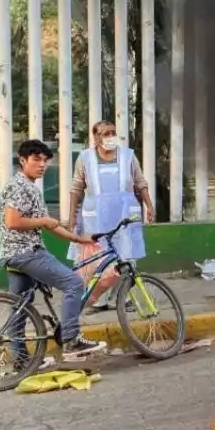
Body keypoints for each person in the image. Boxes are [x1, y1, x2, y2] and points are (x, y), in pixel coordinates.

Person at [0, 140, 106, 357]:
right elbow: (12, 221)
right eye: (36, 159)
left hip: (15, 253)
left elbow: (51, 225)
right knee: (73, 283)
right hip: (25, 252)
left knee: (20, 307)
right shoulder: (18, 186)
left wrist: (79, 239)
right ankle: (71, 339)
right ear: (22, 160)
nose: (42, 165)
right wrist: (43, 222)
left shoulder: (31, 188)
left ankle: (21, 361)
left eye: (45, 161)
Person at [67, 121, 155, 312]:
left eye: (113, 132)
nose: (110, 136)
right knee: (98, 259)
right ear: (96, 137)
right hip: (96, 216)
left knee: (127, 257)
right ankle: (98, 300)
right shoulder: (85, 158)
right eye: (106, 133)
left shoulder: (128, 156)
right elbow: (76, 188)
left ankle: (120, 297)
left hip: (124, 213)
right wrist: (72, 215)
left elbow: (140, 182)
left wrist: (149, 205)